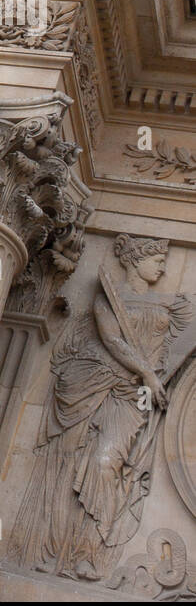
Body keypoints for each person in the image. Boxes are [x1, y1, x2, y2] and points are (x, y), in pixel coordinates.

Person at [11, 234, 196, 580]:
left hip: (133, 398)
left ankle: (89, 553)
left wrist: (157, 376)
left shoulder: (168, 302)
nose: (161, 265)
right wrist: (147, 373)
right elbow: (111, 339)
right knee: (70, 466)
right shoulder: (106, 298)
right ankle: (60, 554)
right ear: (135, 260)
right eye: (155, 259)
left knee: (105, 464)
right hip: (96, 387)